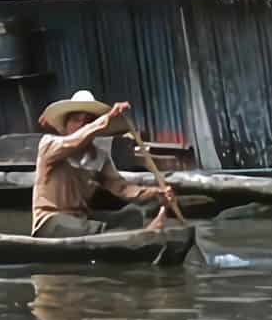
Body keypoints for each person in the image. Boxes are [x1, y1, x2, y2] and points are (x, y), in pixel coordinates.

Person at [31, 89, 172, 238]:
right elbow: (74, 142)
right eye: (76, 120)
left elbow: (123, 188)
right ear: (66, 124)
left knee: (132, 214)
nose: (83, 125)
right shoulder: (49, 144)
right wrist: (106, 119)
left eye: (88, 121)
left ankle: (135, 234)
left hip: (80, 219)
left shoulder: (98, 157)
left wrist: (157, 192)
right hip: (51, 221)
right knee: (96, 229)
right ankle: (144, 236)